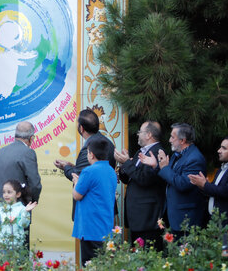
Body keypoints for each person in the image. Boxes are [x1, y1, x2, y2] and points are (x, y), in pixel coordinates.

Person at [140, 122, 206, 237]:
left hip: (187, 219)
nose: (169, 140)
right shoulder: (178, 154)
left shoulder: (195, 158)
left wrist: (164, 167)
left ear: (182, 140)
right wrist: (156, 166)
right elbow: (169, 176)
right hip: (175, 216)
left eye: (172, 137)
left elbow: (182, 184)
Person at [54, 109, 115, 218]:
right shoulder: (108, 143)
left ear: (81, 128)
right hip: (105, 205)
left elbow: (80, 176)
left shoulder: (90, 147)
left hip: (91, 209)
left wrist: (66, 167)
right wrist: (72, 166)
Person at [115, 121, 166, 250]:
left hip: (148, 217)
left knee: (149, 254)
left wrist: (127, 163)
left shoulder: (157, 152)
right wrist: (123, 166)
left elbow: (145, 179)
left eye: (140, 132)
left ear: (148, 134)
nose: (137, 135)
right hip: (138, 216)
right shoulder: (141, 151)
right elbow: (131, 178)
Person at [189, 136, 228, 233]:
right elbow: (214, 191)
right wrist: (201, 185)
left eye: (224, 148)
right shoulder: (222, 168)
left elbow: (227, 191)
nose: (219, 150)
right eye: (220, 147)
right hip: (214, 221)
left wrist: (205, 185)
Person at [72, 136, 118, 265]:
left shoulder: (89, 171)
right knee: (102, 264)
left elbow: (77, 195)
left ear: (91, 154)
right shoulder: (111, 171)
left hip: (90, 228)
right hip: (105, 226)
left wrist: (76, 182)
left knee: (90, 264)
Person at [0, 121, 42, 208]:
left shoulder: (1, 151)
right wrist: (32, 202)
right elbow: (35, 184)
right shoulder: (28, 152)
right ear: (31, 138)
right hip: (16, 209)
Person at [0, 179, 37, 247]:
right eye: (4, 192)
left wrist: (25, 212)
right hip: (1, 244)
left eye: (9, 192)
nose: (6, 195)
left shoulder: (21, 209)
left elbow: (24, 224)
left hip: (16, 245)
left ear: (18, 194)